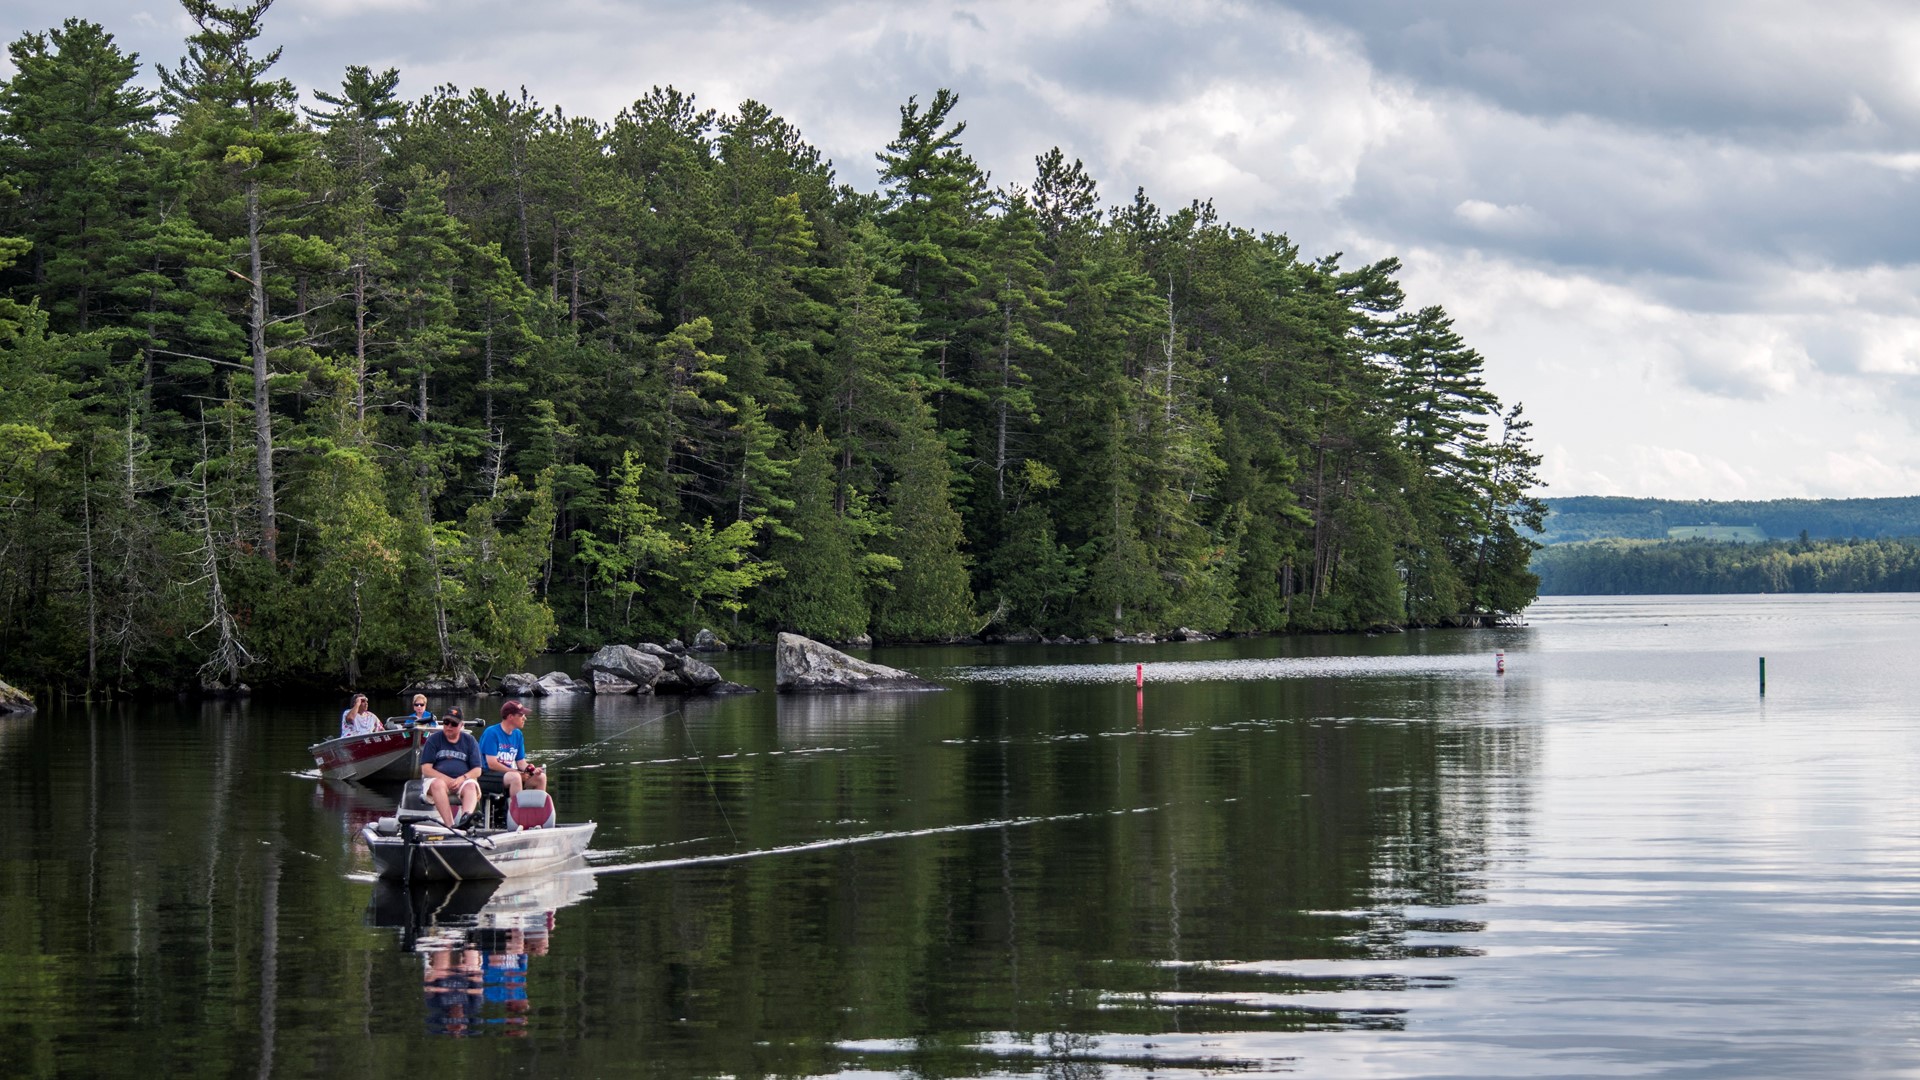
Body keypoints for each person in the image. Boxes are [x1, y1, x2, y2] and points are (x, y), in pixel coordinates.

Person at [419, 708, 483, 828]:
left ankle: (466, 818)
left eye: (453, 724)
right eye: (446, 722)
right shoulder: (433, 739)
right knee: (437, 784)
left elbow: (477, 770)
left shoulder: (470, 741)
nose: (449, 726)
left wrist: (461, 779)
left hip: (462, 780)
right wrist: (448, 780)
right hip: (438, 779)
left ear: (461, 725)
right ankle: (450, 826)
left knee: (471, 785)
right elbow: (426, 769)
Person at [478, 700, 546, 799]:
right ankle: (515, 813)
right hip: (488, 775)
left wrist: (531, 770)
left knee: (541, 778)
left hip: (510, 774)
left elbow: (521, 762)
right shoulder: (491, 733)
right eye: (521, 715)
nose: (525, 718)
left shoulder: (518, 734)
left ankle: (536, 812)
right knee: (516, 778)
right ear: (510, 717)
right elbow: (491, 764)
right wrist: (515, 772)